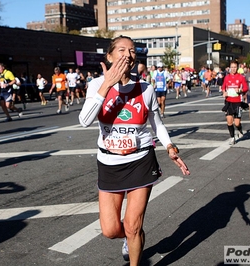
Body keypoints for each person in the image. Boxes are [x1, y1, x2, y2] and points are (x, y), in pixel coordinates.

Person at [78, 36, 190, 266]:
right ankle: (132, 238)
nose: (127, 54)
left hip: (140, 161)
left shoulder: (146, 88)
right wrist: (107, 83)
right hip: (109, 163)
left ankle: (134, 246)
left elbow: (157, 124)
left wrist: (170, 146)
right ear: (109, 56)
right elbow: (84, 121)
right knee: (110, 229)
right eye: (121, 50)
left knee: (133, 225)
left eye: (131, 51)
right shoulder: (96, 85)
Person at [221, 61, 248, 145]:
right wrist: (224, 92)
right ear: (229, 68)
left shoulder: (241, 77)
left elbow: (246, 88)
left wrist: (240, 90)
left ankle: (240, 130)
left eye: (235, 67)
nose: (233, 69)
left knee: (237, 123)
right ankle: (232, 138)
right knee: (229, 121)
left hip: (238, 101)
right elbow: (223, 87)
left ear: (237, 68)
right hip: (228, 101)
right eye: (232, 67)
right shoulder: (227, 77)